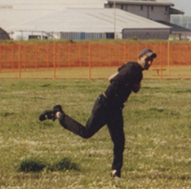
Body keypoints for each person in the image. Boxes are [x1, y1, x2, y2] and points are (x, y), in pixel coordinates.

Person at [39, 47, 156, 178]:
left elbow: (110, 77)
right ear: (139, 58)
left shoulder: (130, 66)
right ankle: (58, 114)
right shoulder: (134, 71)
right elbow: (119, 82)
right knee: (86, 132)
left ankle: (115, 172)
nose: (149, 63)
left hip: (114, 108)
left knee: (119, 141)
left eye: (151, 60)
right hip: (105, 106)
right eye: (147, 59)